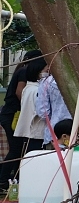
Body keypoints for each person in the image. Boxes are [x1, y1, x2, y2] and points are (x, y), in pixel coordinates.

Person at [4, 55, 48, 185]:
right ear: (38, 71)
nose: (48, 71)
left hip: (31, 131)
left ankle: (21, 182)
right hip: (35, 131)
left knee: (24, 156)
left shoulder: (29, 88)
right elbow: (40, 111)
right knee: (29, 158)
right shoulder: (35, 90)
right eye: (46, 69)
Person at [0, 50, 43, 163]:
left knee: (19, 148)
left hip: (11, 113)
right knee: (16, 149)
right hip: (13, 114)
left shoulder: (22, 70)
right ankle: (4, 178)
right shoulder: (25, 72)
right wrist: (27, 108)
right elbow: (20, 92)